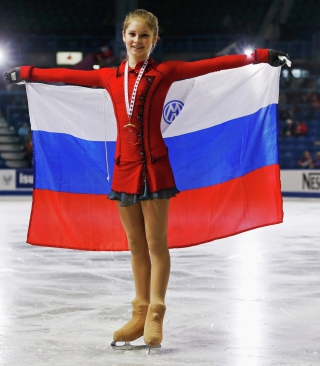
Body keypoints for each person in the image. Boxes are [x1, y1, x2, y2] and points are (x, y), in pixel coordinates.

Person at [3, 9, 289, 351]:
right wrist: (27, 73)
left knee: (157, 245)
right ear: (124, 36)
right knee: (136, 246)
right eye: (132, 34)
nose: (137, 40)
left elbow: (212, 65)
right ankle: (138, 312)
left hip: (154, 167)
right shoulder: (110, 77)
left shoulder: (165, 72)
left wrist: (260, 56)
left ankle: (156, 312)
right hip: (124, 170)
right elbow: (68, 75)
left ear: (154, 40)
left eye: (144, 35)